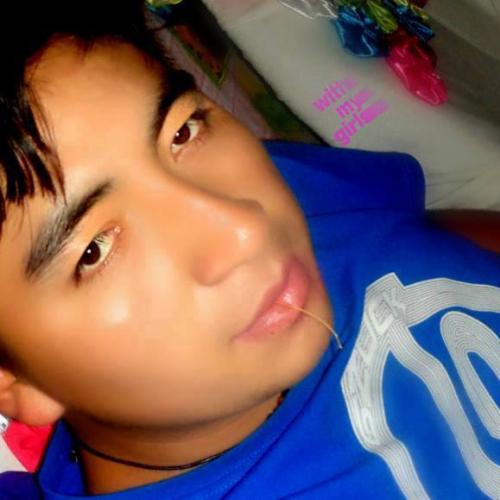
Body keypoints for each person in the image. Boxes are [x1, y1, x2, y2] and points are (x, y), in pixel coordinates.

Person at [0, 1, 498, 498]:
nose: (244, 228)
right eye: (95, 250)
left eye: (182, 132)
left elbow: (423, 233)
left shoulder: (264, 179)